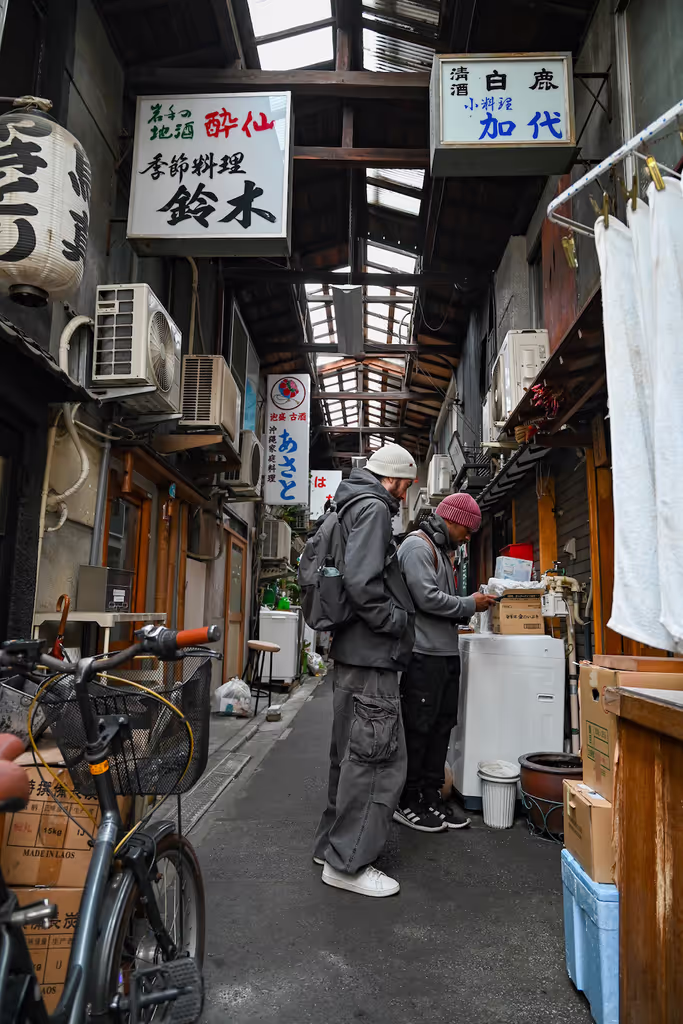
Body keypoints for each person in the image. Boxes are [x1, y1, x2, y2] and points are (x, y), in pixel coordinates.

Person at [314, 444, 417, 898]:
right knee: (376, 761)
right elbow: (361, 582)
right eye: (406, 485)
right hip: (372, 654)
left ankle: (331, 847)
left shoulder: (346, 504)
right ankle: (348, 863)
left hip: (351, 652)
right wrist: (394, 621)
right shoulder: (374, 508)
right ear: (392, 479)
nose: (405, 494)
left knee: (349, 754)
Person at [395, 493, 497, 833]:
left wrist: (466, 609)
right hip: (422, 655)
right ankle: (407, 801)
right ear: (451, 520)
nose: (468, 537)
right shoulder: (417, 547)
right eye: (467, 530)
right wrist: (469, 604)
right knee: (418, 730)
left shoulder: (441, 551)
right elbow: (426, 598)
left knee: (440, 728)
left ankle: (430, 796)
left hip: (444, 654)